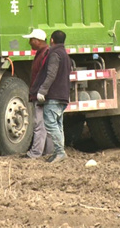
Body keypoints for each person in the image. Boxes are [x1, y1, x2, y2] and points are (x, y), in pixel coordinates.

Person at [31, 30, 73, 164]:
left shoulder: (54, 54)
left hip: (54, 95)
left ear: (52, 40)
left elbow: (51, 74)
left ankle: (60, 152)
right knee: (58, 124)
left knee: (50, 124)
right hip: (63, 94)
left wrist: (42, 91)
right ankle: (57, 153)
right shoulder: (65, 54)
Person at [23, 29, 54, 159]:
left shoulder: (46, 54)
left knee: (39, 124)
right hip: (42, 93)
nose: (30, 42)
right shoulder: (42, 53)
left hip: (42, 94)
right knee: (47, 124)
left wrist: (42, 92)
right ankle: (49, 151)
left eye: (31, 40)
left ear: (38, 41)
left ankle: (36, 153)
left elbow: (48, 75)